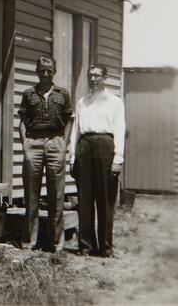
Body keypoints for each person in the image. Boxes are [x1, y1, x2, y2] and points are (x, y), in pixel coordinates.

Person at [69, 63, 125, 257]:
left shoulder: (115, 102)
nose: (93, 79)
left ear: (105, 78)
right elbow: (75, 130)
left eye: (97, 76)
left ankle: (106, 247)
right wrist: (72, 156)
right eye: (90, 75)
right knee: (84, 199)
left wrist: (118, 158)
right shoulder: (82, 101)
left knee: (105, 200)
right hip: (85, 146)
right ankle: (85, 245)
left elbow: (119, 129)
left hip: (105, 147)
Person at [18, 55, 73, 251]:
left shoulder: (63, 94)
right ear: (37, 71)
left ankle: (56, 243)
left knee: (56, 195)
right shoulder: (28, 94)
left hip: (55, 141)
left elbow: (69, 119)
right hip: (33, 142)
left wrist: (64, 144)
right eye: (42, 70)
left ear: (54, 72)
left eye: (49, 70)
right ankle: (28, 241)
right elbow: (23, 121)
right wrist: (25, 144)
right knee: (31, 195)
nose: (46, 74)